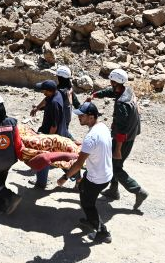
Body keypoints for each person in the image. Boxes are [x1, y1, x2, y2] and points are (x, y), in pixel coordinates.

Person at [89, 68, 148, 209]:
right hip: (130, 134)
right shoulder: (127, 90)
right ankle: (113, 190)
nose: (110, 83)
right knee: (113, 163)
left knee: (115, 167)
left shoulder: (122, 103)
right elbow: (111, 92)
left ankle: (138, 191)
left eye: (111, 81)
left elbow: (121, 129)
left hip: (123, 139)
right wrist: (96, 95)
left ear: (115, 82)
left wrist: (118, 150)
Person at [56, 102, 113, 243]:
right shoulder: (102, 127)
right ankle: (91, 220)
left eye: (82, 115)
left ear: (91, 117)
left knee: (88, 204)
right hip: (105, 173)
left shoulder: (91, 137)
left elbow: (78, 165)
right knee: (82, 188)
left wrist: (65, 177)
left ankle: (103, 232)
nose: (79, 117)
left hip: (97, 179)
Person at [0, 94, 24, 214]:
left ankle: (10, 196)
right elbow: (18, 142)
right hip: (10, 159)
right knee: (0, 180)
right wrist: (20, 156)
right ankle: (0, 203)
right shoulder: (12, 122)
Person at [31, 79, 69, 189]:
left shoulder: (54, 103)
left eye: (44, 90)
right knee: (59, 158)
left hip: (52, 134)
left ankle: (41, 183)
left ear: (49, 91)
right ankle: (77, 178)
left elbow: (54, 126)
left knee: (44, 157)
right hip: (59, 131)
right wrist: (37, 108)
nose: (43, 92)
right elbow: (45, 100)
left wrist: (48, 140)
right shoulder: (56, 93)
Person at [30, 66, 79, 138]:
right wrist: (38, 107)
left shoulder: (60, 92)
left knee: (61, 134)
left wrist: (39, 108)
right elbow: (77, 104)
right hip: (66, 118)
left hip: (60, 119)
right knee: (64, 132)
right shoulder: (68, 89)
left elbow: (52, 104)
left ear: (60, 78)